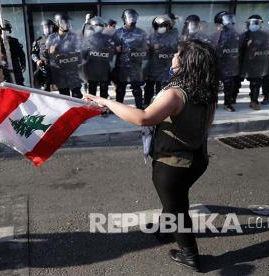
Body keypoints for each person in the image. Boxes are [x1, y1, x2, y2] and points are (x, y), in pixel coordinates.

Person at [85, 39, 218, 272]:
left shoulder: (176, 93)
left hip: (172, 165)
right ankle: (164, 230)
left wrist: (104, 101)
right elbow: (208, 124)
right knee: (176, 199)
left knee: (178, 209)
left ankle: (190, 255)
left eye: (178, 54)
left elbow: (143, 117)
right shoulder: (206, 89)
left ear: (187, 62)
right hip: (198, 160)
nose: (173, 56)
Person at [112, 9, 148, 109]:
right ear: (124, 19)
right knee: (120, 88)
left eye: (133, 17)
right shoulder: (118, 32)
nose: (132, 19)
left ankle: (139, 107)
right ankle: (118, 107)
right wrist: (115, 49)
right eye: (130, 17)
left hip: (135, 65)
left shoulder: (141, 33)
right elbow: (111, 48)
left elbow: (146, 48)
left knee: (137, 88)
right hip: (122, 65)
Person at [239, 14, 269, 110]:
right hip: (242, 63)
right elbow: (237, 49)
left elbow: (268, 49)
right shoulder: (243, 35)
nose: (255, 25)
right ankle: (231, 98)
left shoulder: (264, 35)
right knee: (235, 82)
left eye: (257, 23)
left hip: (256, 64)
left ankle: (254, 101)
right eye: (253, 23)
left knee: (256, 84)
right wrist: (246, 45)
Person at [44, 13, 83, 98]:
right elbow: (46, 56)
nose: (66, 24)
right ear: (57, 23)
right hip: (60, 73)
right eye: (63, 22)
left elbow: (80, 52)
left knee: (77, 96)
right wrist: (50, 52)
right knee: (65, 98)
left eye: (67, 22)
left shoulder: (74, 37)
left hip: (73, 72)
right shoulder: (51, 38)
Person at [144, 15, 179, 107]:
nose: (163, 27)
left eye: (165, 25)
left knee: (164, 86)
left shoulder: (172, 36)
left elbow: (176, 48)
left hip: (166, 65)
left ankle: (162, 104)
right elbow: (145, 51)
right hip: (153, 65)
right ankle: (146, 102)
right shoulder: (151, 36)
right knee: (150, 85)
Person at [210, 11, 241, 112]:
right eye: (228, 20)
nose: (231, 23)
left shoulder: (236, 35)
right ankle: (214, 103)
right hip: (216, 65)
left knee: (229, 86)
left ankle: (228, 104)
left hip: (229, 65)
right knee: (214, 86)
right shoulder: (214, 36)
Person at [82, 16, 114, 102]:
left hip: (104, 68)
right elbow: (83, 54)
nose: (98, 27)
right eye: (96, 25)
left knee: (104, 90)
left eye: (100, 25)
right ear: (92, 26)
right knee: (92, 90)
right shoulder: (87, 38)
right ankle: (92, 107)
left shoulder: (108, 38)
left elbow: (111, 52)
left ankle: (102, 107)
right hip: (92, 68)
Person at [0, 19, 26, 85]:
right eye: (4, 30)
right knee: (6, 87)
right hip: (4, 68)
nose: (6, 32)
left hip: (15, 67)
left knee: (19, 86)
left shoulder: (14, 41)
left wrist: (23, 64)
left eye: (7, 30)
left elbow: (21, 54)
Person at [31, 19, 56, 91]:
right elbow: (33, 53)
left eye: (49, 27)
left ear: (52, 27)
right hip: (44, 69)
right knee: (45, 91)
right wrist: (37, 60)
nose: (47, 29)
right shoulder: (38, 40)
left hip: (57, 69)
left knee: (62, 91)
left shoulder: (58, 38)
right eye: (45, 27)